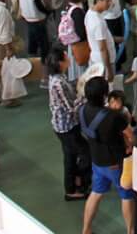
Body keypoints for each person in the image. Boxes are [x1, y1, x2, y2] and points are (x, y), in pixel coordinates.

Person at [79, 75, 135, 234]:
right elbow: (131, 135)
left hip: (96, 161)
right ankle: (131, 231)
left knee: (96, 193)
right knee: (126, 195)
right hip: (115, 163)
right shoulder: (113, 116)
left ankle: (86, 229)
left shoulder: (82, 110)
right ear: (104, 96)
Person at [45, 47, 90, 201]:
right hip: (66, 127)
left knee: (70, 155)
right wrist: (84, 96)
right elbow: (71, 107)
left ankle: (73, 185)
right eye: (65, 56)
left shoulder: (58, 78)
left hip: (66, 125)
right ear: (60, 62)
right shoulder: (58, 83)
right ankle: (77, 183)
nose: (68, 57)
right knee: (85, 153)